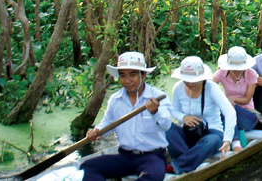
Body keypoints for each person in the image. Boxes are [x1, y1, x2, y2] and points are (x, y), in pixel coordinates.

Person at [81, 52, 173, 181]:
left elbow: (166, 125)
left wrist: (155, 112)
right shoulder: (115, 99)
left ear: (143, 75)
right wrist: (96, 131)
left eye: (133, 75)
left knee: (151, 177)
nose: (127, 80)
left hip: (153, 157)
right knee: (87, 167)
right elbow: (108, 123)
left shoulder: (157, 97)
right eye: (123, 75)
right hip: (125, 157)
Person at [165, 56, 236, 174]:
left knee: (211, 141)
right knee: (167, 127)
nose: (190, 83)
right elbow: (173, 110)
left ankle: (177, 166)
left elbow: (230, 112)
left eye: (194, 80)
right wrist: (183, 117)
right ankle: (191, 160)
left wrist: (227, 140)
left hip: (212, 133)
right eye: (187, 80)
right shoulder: (178, 87)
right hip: (190, 133)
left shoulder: (211, 88)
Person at [212, 47, 258, 151]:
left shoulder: (251, 74)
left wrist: (232, 99)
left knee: (228, 107)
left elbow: (247, 99)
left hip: (247, 115)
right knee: (226, 108)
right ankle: (233, 141)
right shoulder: (221, 73)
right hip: (228, 112)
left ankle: (235, 142)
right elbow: (210, 87)